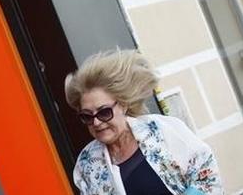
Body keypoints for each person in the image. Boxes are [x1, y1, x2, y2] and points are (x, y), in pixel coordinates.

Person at [64, 50, 222, 195]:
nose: (96, 122)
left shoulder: (161, 129)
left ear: (123, 105)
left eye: (104, 112)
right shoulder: (86, 163)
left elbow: (206, 173)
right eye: (87, 116)